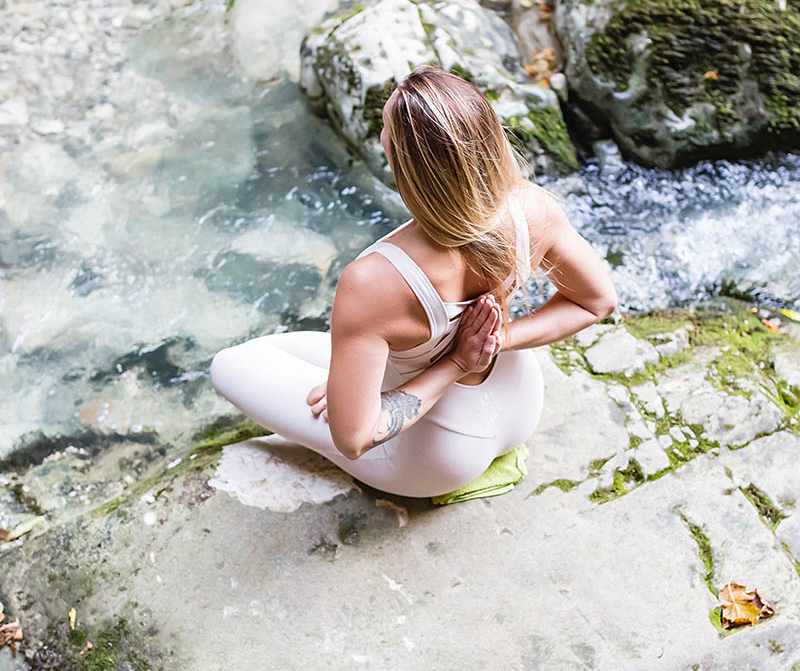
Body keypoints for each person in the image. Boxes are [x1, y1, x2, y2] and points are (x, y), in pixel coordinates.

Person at [210, 65, 617, 498]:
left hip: (444, 453)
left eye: (384, 128)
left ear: (403, 162)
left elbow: (355, 437)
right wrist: (498, 339)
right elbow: (597, 302)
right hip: (518, 402)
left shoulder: (373, 282)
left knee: (231, 365)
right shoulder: (531, 207)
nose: (381, 135)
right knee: (322, 361)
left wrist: (458, 361)